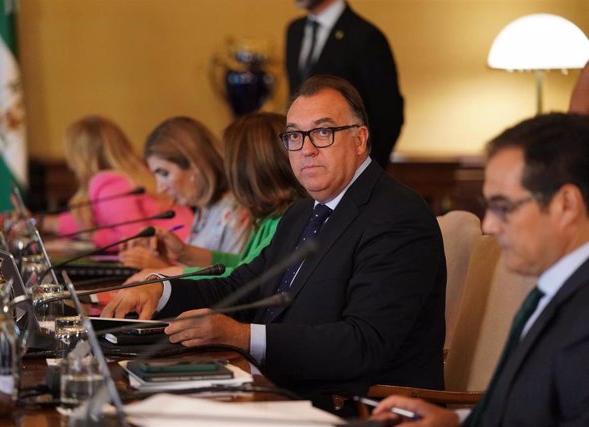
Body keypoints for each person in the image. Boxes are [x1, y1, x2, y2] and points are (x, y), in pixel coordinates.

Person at [103, 75, 446, 413]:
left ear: (360, 139)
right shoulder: (301, 213)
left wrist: (241, 336)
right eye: (295, 136)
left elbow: (363, 344)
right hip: (270, 387)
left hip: (350, 405)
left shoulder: (397, 216)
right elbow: (242, 287)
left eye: (323, 132)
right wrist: (160, 291)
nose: (306, 149)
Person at [371, 113, 589, 426]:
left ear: (566, 204)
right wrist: (456, 421)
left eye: (503, 207)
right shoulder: (555, 291)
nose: (489, 224)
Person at [119, 112, 306, 277]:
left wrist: (164, 272)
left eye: (164, 173)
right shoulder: (267, 218)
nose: (229, 175)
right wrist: (182, 253)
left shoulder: (274, 219)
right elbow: (242, 264)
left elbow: (237, 282)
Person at [118, 116, 251, 270]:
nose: (160, 188)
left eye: (164, 173)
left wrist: (161, 269)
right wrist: (159, 256)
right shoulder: (204, 209)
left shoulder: (235, 210)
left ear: (194, 164)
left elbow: (233, 281)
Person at [40, 115, 193, 247]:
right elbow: (89, 222)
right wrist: (42, 221)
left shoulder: (110, 185)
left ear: (81, 157)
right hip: (190, 253)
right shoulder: (135, 176)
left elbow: (133, 237)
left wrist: (92, 237)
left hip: (178, 262)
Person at [285, 0, 404, 169]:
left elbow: (388, 116)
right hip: (307, 171)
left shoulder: (366, 37)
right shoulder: (295, 31)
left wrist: (364, 173)